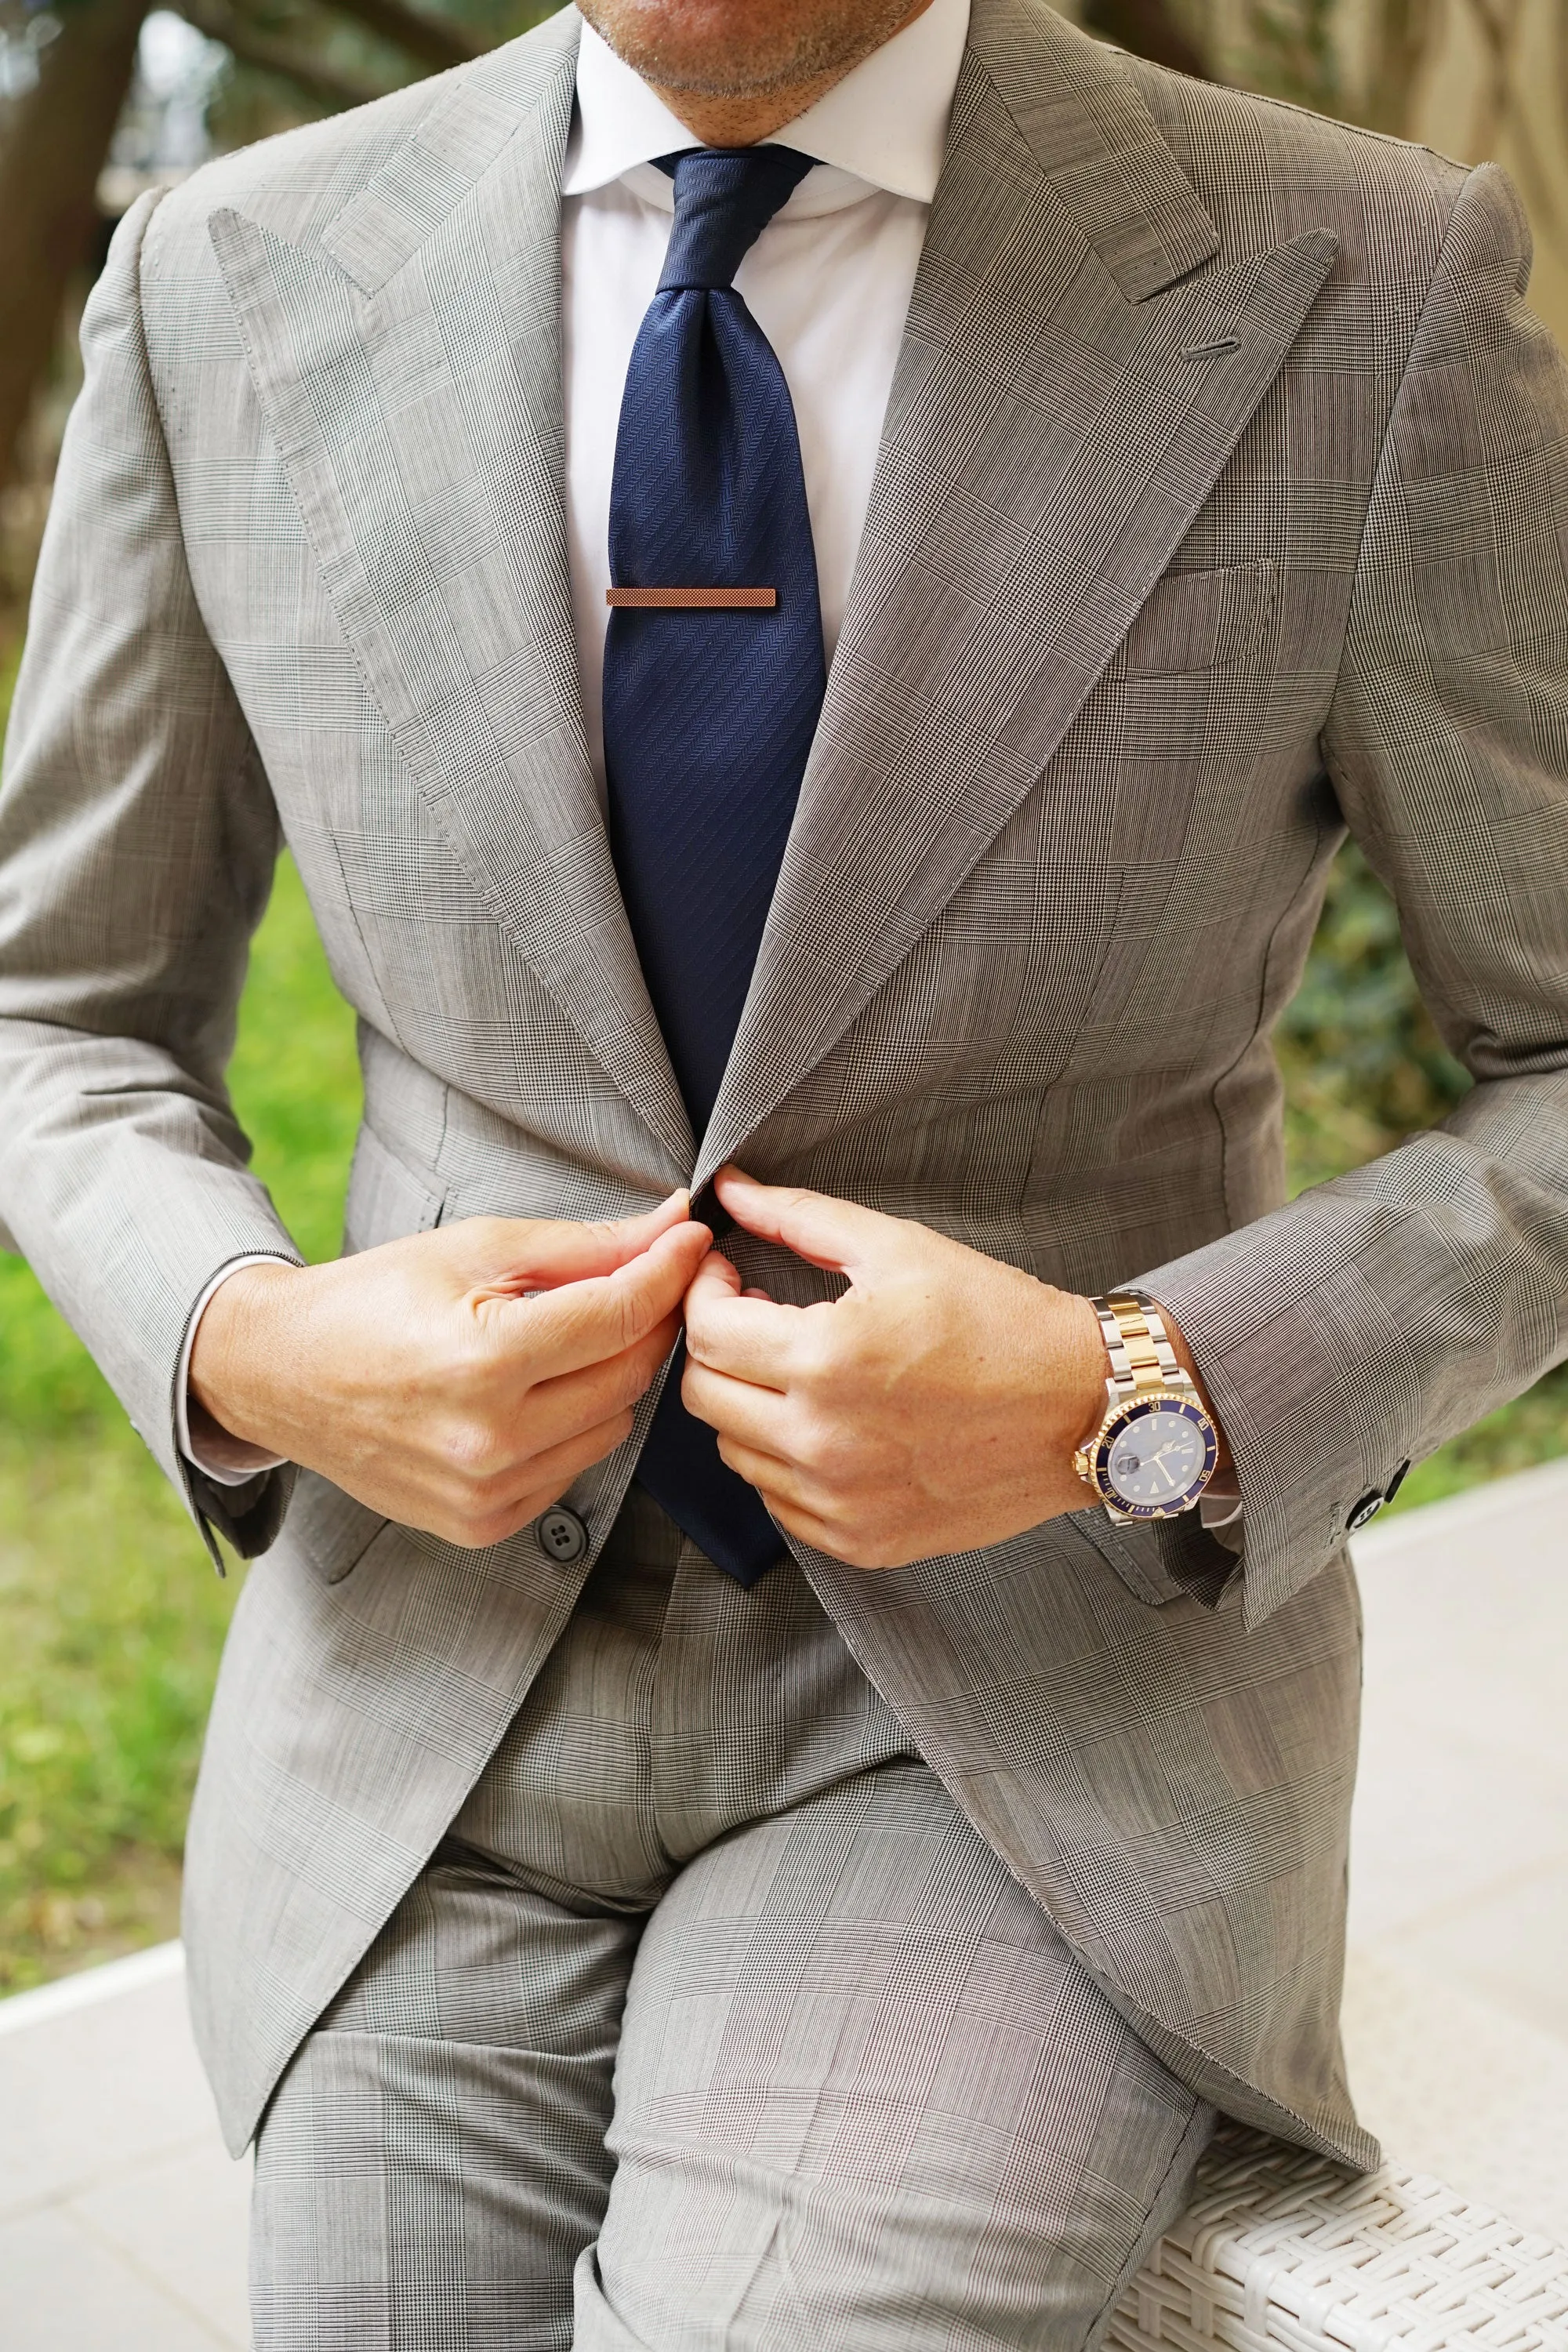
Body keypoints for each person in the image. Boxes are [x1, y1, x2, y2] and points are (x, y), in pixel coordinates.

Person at [2, 0, 1567, 2333]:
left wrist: (1135, 1383)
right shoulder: (222, 272)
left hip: (1022, 1719)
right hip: (425, 1712)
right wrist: (252, 1338)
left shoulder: (1359, 283)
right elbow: (63, 1016)